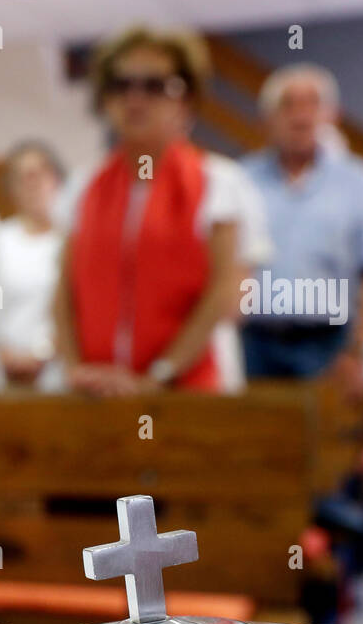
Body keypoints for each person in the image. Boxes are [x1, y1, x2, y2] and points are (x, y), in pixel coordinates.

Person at [53, 25, 247, 396]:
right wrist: (75, 370)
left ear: (184, 99)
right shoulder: (83, 185)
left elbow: (222, 293)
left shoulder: (220, 182)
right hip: (94, 394)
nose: (135, 99)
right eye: (121, 86)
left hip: (183, 393)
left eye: (155, 86)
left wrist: (156, 377)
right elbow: (64, 292)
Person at [240, 63, 363, 396]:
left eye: (313, 104)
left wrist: (357, 350)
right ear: (266, 118)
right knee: (251, 442)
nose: (301, 117)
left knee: (324, 445)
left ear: (334, 115)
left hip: (329, 347)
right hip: (251, 343)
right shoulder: (242, 179)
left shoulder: (359, 182)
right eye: (287, 105)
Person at [0, 141, 65, 388]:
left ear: (57, 180)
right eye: (22, 177)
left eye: (40, 174)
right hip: (2, 377)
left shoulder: (70, 243)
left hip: (56, 377)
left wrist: (42, 354)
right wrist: (3, 353)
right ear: (11, 187)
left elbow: (75, 310)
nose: (32, 183)